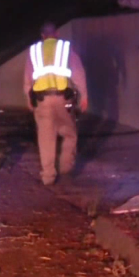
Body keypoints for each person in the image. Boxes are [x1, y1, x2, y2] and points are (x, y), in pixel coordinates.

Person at [23, 22, 88, 185]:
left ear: (42, 36)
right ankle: (66, 169)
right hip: (62, 99)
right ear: (57, 33)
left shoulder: (34, 52)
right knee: (69, 134)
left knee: (46, 138)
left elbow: (28, 79)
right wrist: (84, 96)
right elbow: (78, 73)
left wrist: (28, 99)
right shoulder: (66, 49)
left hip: (42, 100)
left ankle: (48, 176)